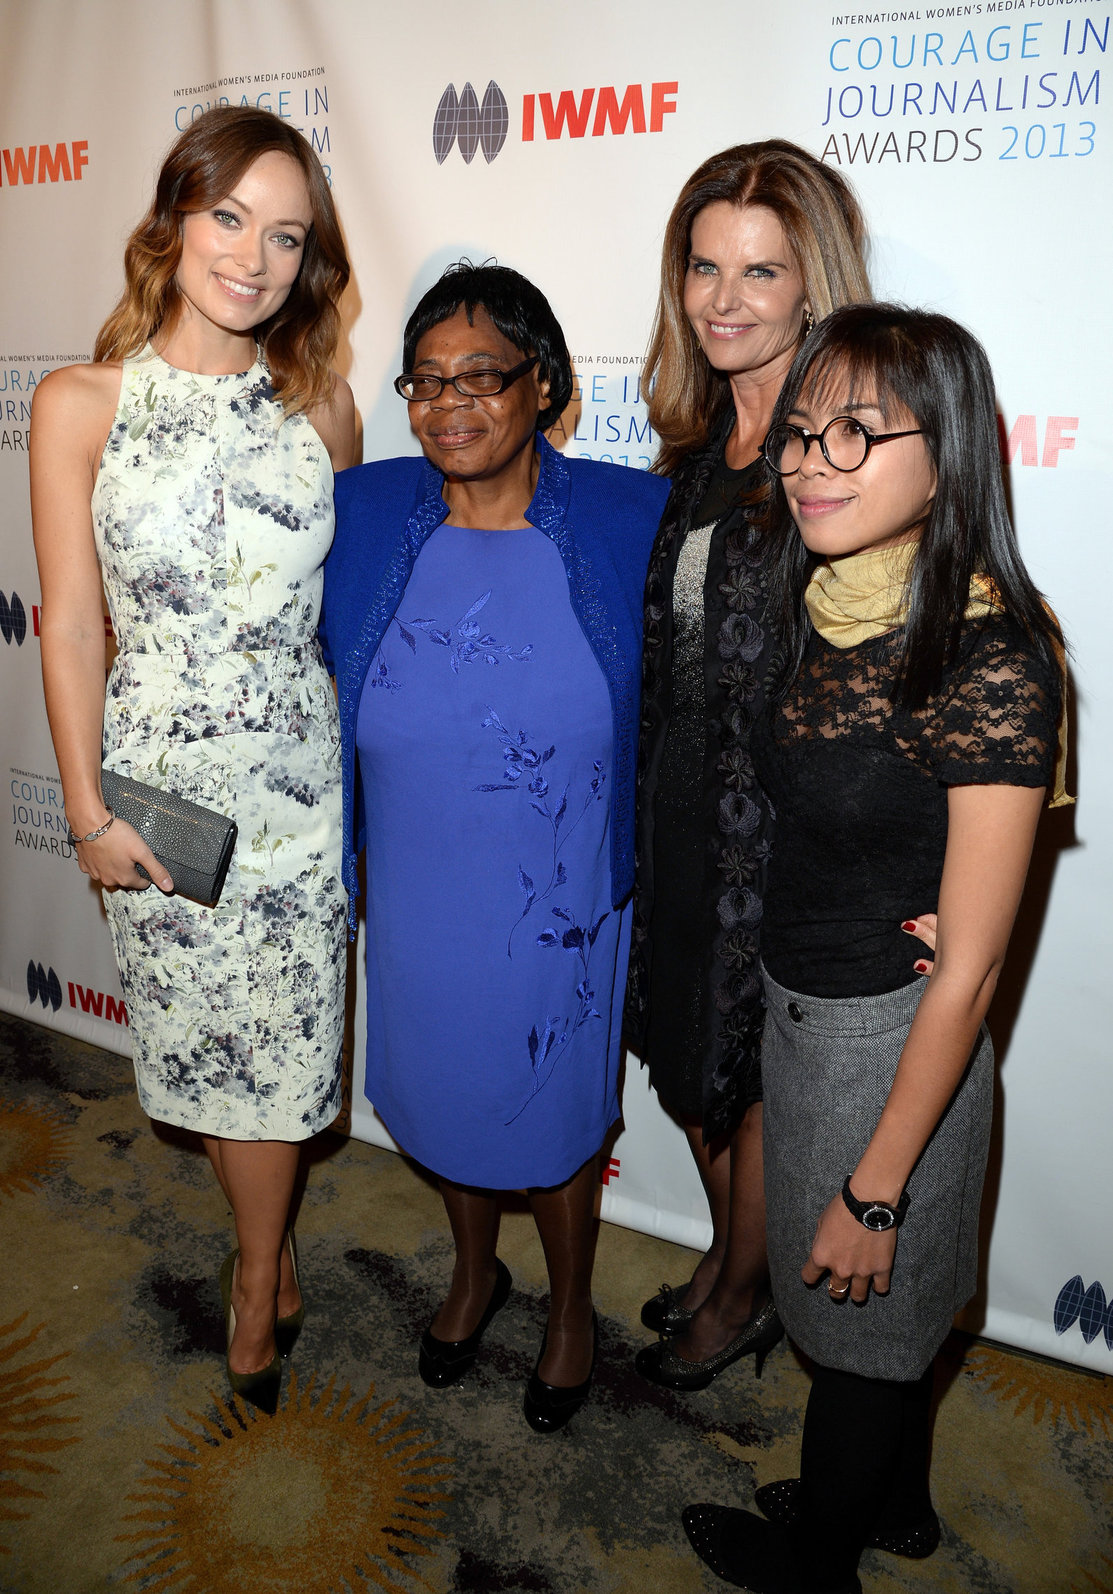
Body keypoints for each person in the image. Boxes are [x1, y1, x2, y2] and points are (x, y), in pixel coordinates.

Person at [681, 303, 1068, 1592]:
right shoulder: (831, 605)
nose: (810, 462)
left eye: (856, 433)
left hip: (893, 1048)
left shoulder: (993, 654)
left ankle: (819, 1562)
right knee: (870, 1326)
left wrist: (877, 1187)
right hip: (809, 1012)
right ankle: (893, 1501)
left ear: (946, 457)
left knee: (856, 1324)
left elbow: (972, 968)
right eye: (801, 433)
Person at [30, 106, 355, 1414]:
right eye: (230, 217)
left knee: (276, 1062)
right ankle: (264, 1250)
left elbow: (343, 615)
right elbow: (69, 627)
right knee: (206, 1056)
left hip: (295, 792)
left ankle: (258, 1273)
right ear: (173, 222)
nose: (254, 257)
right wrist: (84, 809)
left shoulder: (321, 409)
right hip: (155, 797)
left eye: (286, 236)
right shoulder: (79, 404)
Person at [322, 261, 669, 1432]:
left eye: (481, 375)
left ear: (547, 386)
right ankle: (475, 1275)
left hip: (560, 891)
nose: (448, 403)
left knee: (556, 1109)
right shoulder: (363, 512)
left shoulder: (629, 520)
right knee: (445, 1090)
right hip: (419, 883)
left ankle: (571, 1308)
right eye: (425, 380)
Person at [628, 141, 934, 1390]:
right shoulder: (705, 440)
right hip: (685, 812)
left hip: (784, 831)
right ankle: (728, 1255)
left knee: (754, 1079)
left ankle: (745, 1293)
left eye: (761, 271)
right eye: (704, 267)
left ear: (815, 285)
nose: (725, 299)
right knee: (694, 1065)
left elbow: (925, 633)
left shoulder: (839, 445)